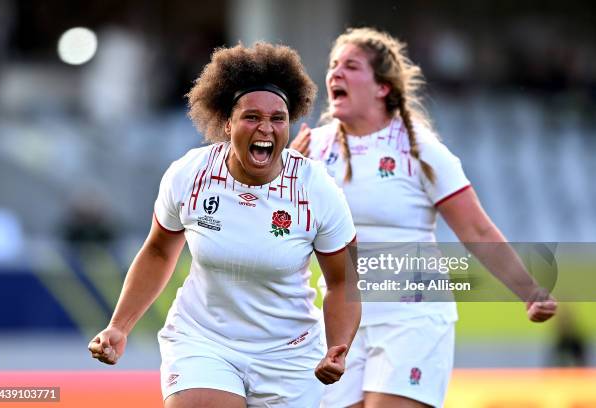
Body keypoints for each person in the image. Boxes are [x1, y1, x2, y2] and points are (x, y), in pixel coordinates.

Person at [290, 27, 557, 408]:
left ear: (383, 87)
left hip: (412, 320)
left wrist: (529, 291)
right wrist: (286, 179)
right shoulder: (310, 150)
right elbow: (281, 229)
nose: (335, 73)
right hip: (341, 326)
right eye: (333, 66)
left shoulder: (423, 152)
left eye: (351, 66)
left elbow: (476, 228)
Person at [88, 42, 361, 408]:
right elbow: (157, 250)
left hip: (290, 354)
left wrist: (337, 347)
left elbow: (343, 280)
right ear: (228, 122)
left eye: (278, 118)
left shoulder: (316, 189)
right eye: (252, 117)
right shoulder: (191, 174)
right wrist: (119, 326)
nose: (266, 127)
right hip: (204, 341)